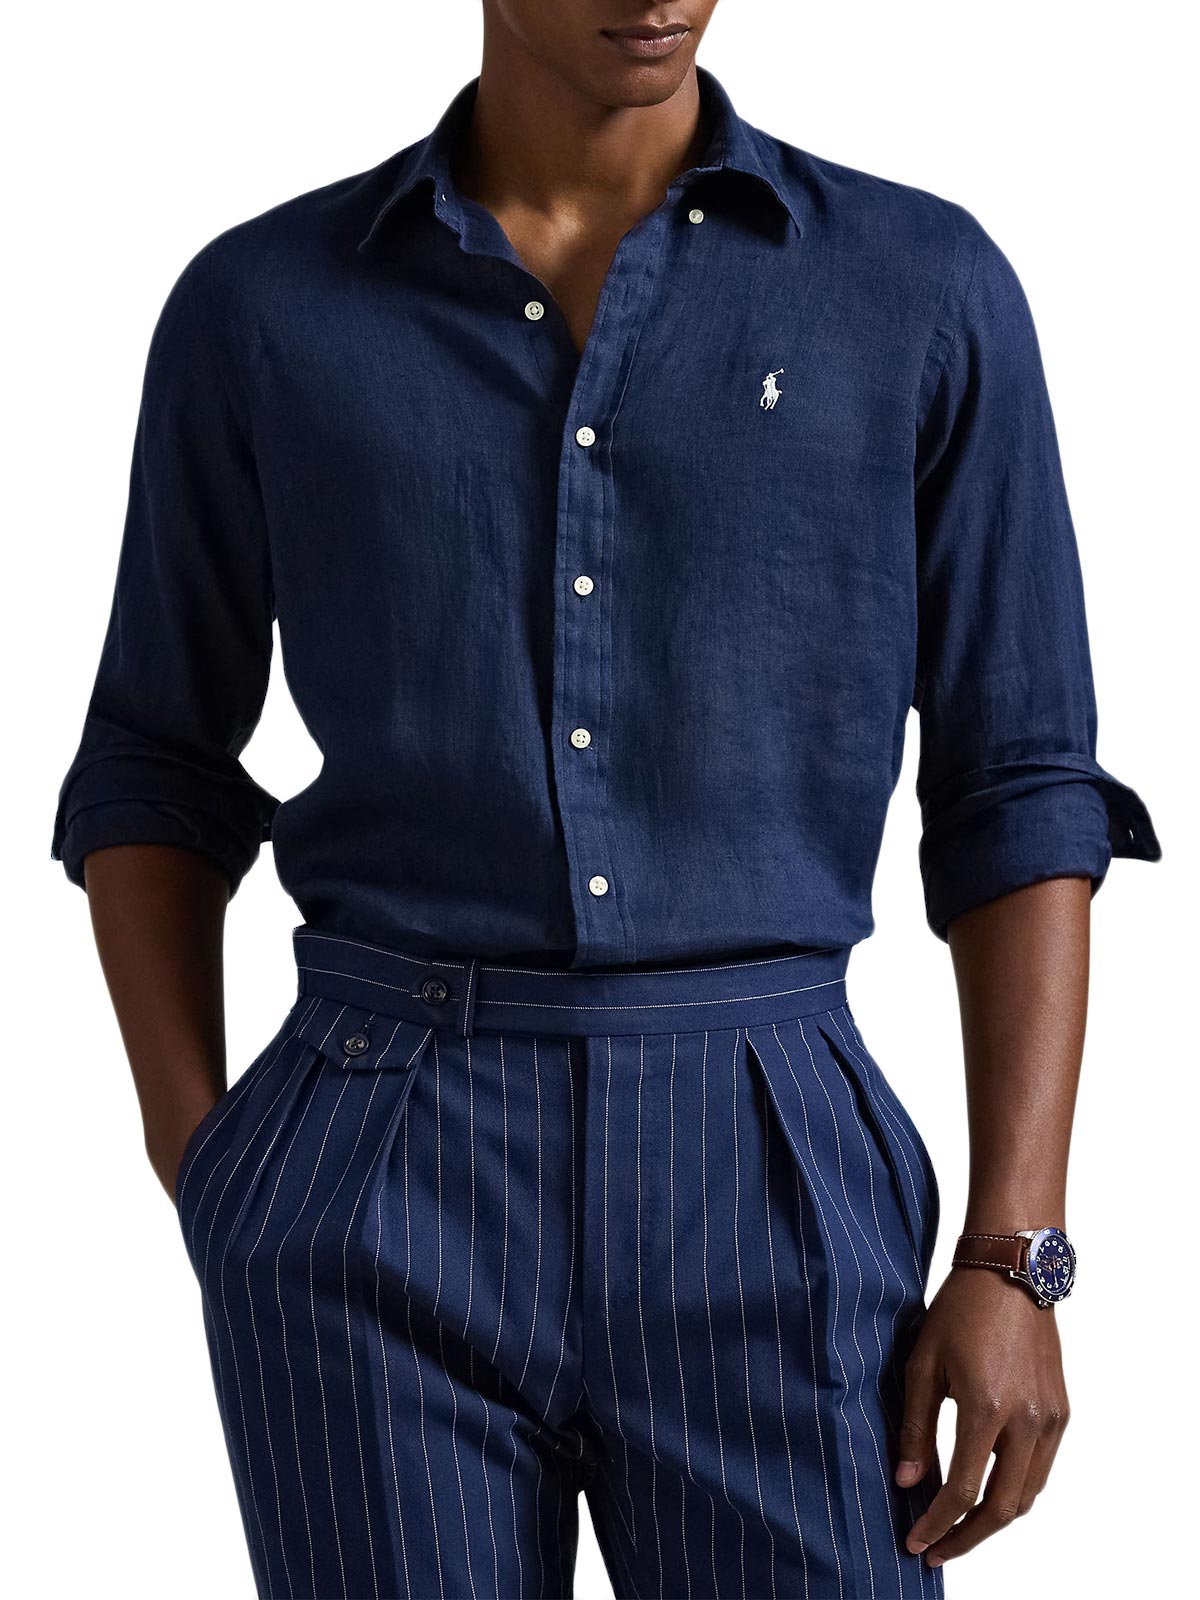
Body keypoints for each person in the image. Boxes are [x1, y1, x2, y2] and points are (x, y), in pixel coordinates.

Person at [49, 4, 1161, 1597]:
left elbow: (1019, 782)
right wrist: (211, 1166)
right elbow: (154, 758)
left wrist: (1017, 1250)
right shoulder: (265, 307)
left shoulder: (920, 290)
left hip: (769, 1154)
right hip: (377, 1153)